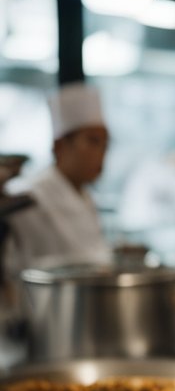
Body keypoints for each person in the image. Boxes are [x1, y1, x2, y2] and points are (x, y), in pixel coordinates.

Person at [2, 82, 112, 283]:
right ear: (60, 146)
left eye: (106, 144)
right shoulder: (28, 196)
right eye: (93, 141)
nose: (102, 153)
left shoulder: (86, 197)